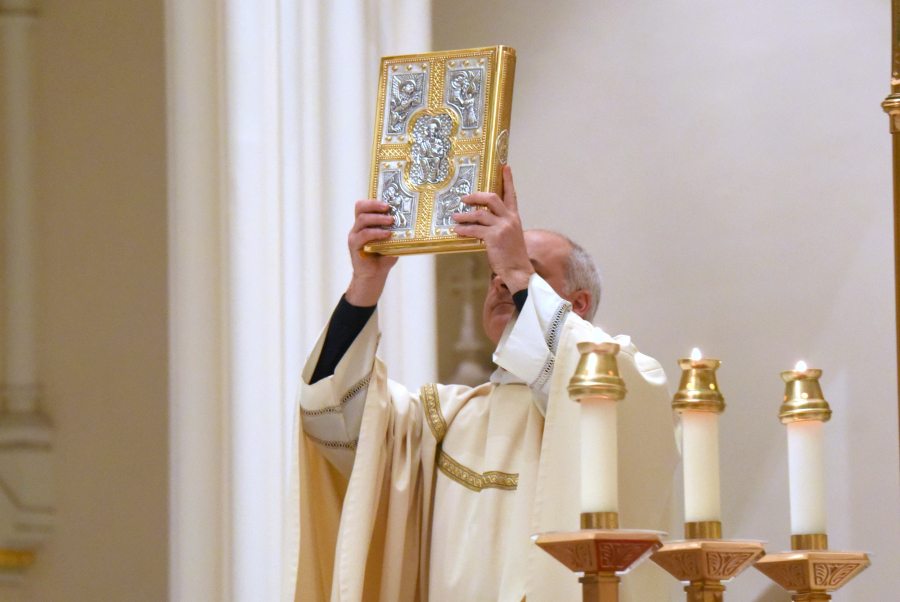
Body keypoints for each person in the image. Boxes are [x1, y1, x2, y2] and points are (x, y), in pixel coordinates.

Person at [291, 166, 678, 602]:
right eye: (496, 272)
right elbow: (332, 417)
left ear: (578, 304)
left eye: (525, 271)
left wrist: (515, 269)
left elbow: (599, 388)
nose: (499, 281)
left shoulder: (623, 379)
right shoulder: (441, 420)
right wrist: (366, 283)